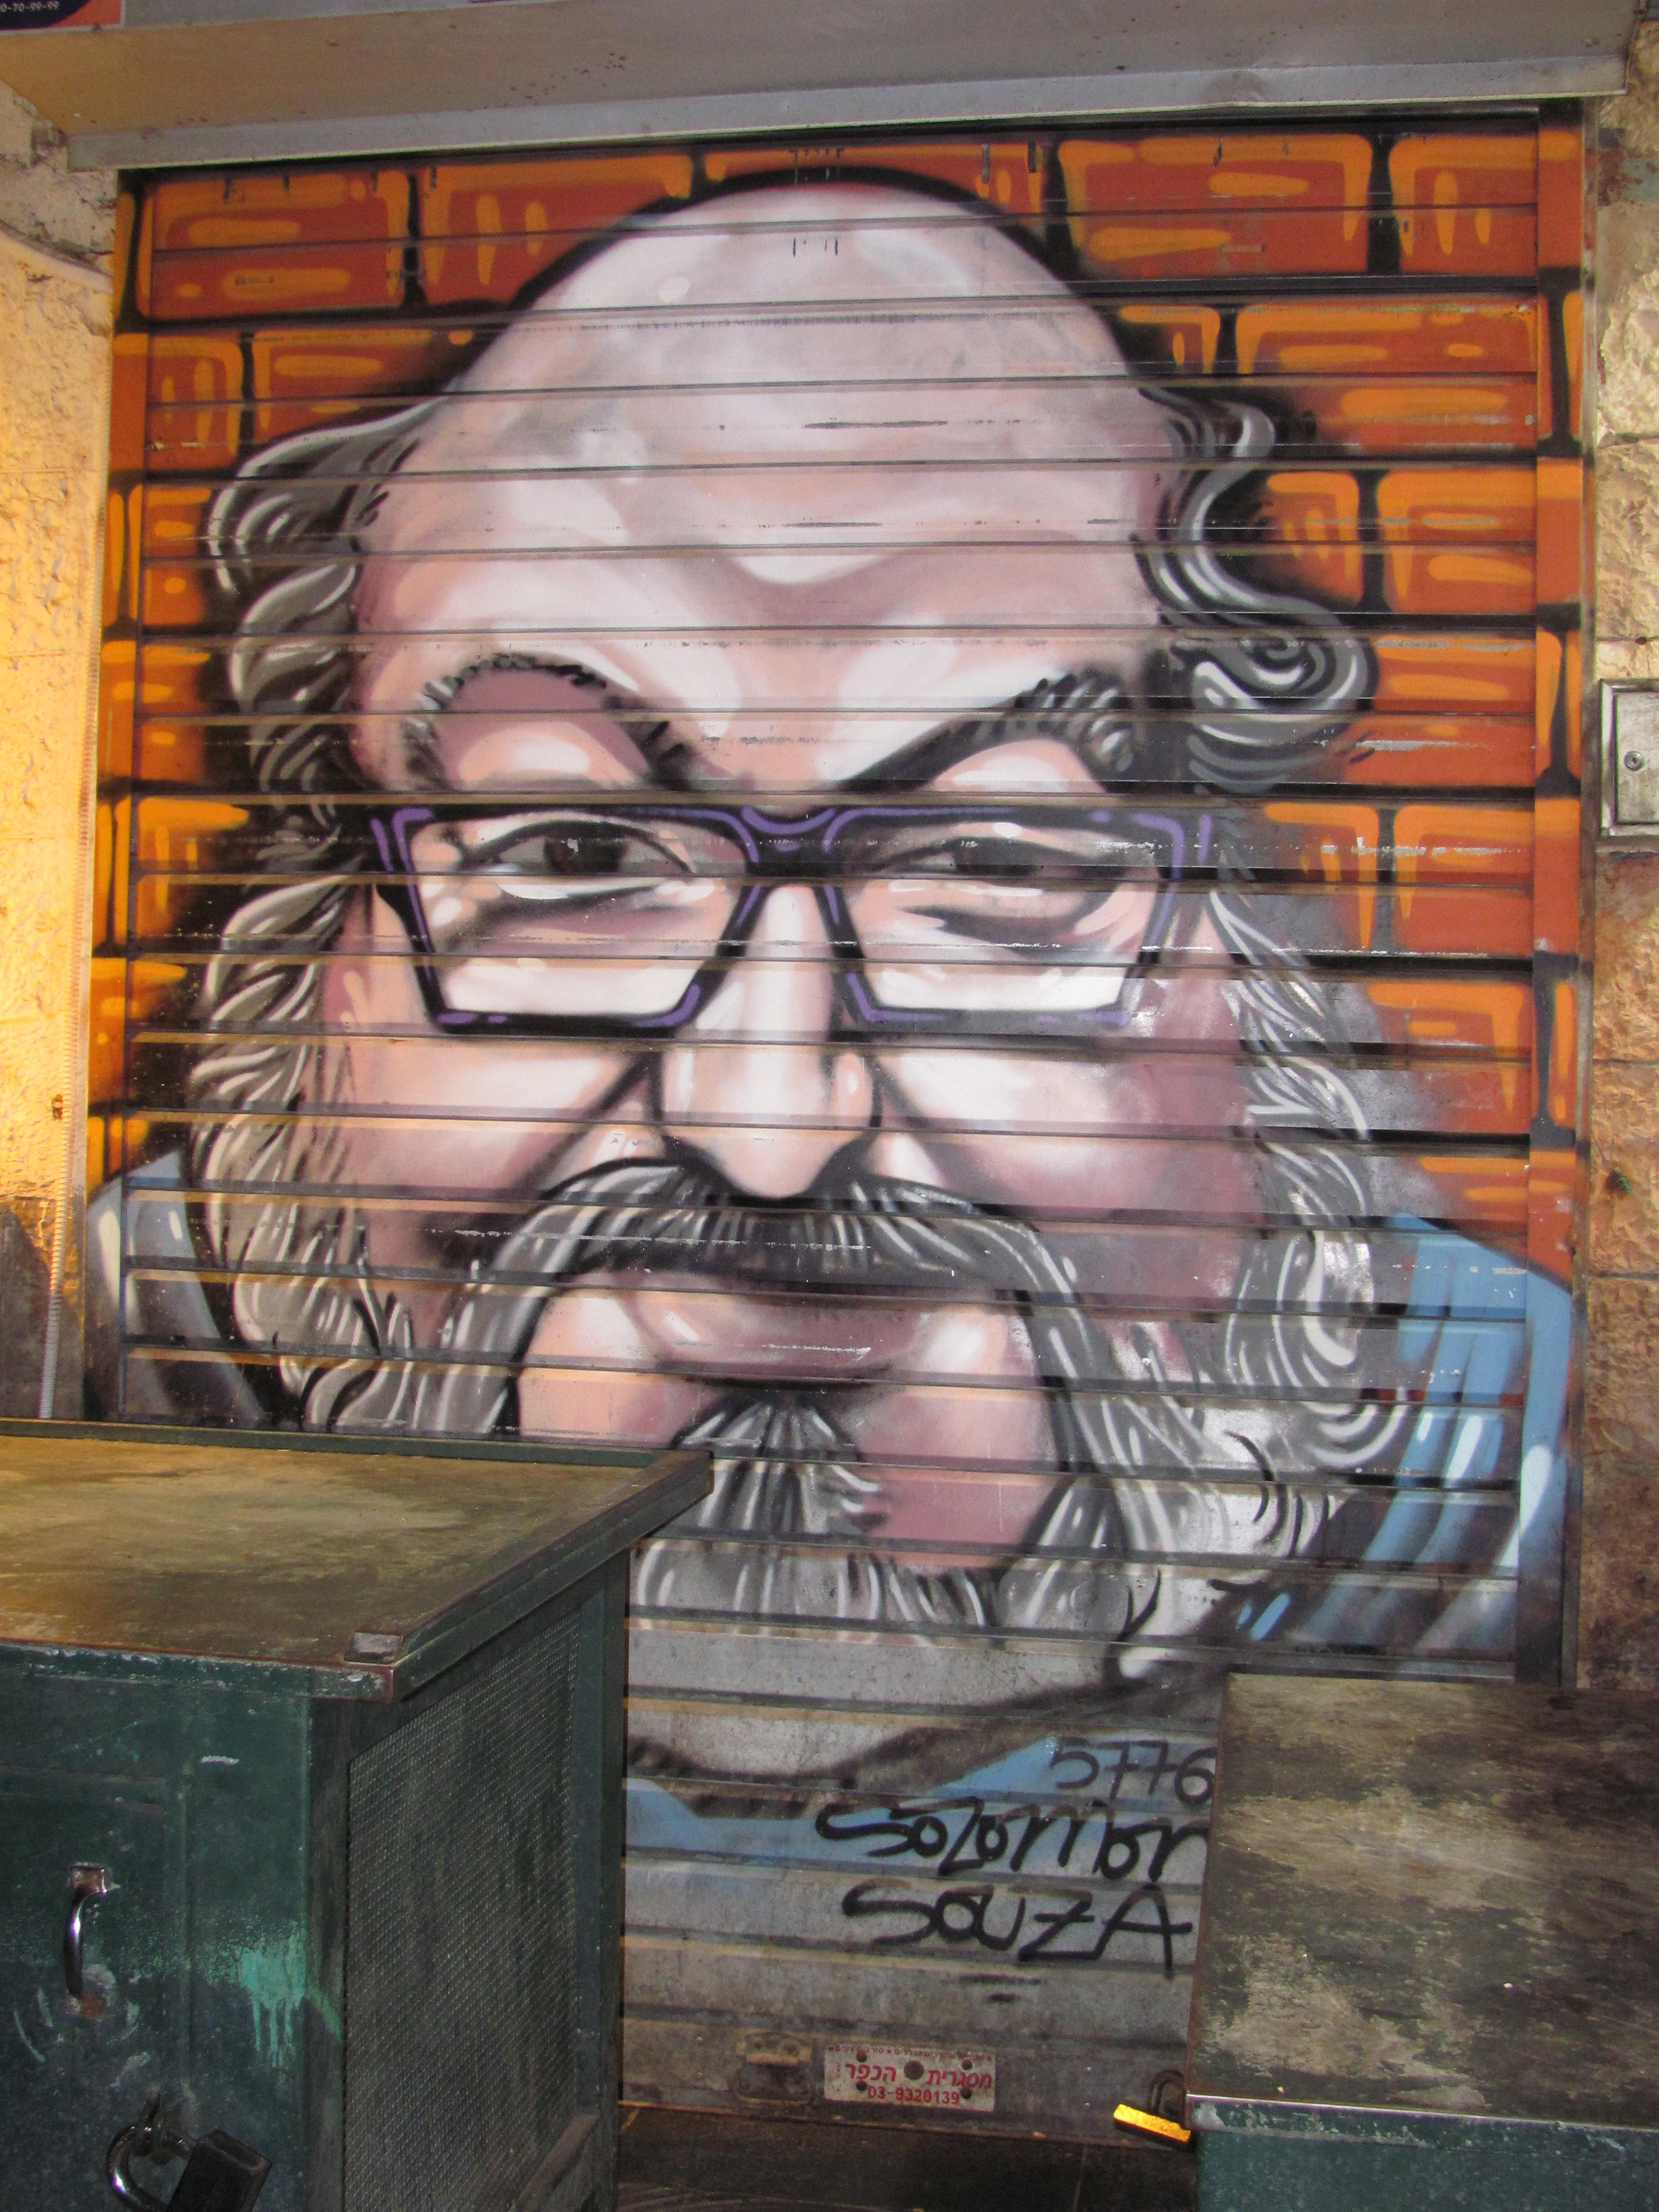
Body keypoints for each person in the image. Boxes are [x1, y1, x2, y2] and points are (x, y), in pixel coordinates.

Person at [89, 179, 1566, 1785]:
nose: (771, 1127)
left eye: (999, 872)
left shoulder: (1510, 1467)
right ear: (321, 956)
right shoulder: (101, 1411)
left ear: (1239, 959)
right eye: (575, 860)